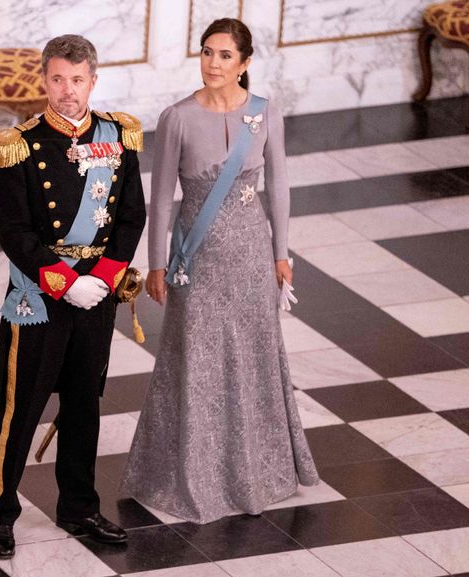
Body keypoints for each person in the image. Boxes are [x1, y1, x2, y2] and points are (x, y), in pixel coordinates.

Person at [120, 18, 321, 524]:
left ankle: (257, 472)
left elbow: (279, 185)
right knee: (195, 359)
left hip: (251, 255)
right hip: (197, 259)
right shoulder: (177, 118)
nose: (213, 63)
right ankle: (191, 476)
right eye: (207, 52)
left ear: (245, 63)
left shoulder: (265, 113)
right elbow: (160, 198)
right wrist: (157, 264)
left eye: (225, 55)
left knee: (254, 356)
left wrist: (281, 254)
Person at [0, 34, 146, 559]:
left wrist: (104, 277)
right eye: (57, 79)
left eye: (77, 80)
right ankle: (0, 514)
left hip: (96, 294)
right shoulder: (18, 145)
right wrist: (66, 282)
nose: (67, 90)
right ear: (44, 81)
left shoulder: (119, 135)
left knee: (83, 405)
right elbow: (14, 231)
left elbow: (131, 216)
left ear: (93, 81)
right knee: (20, 408)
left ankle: (79, 507)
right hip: (41, 295)